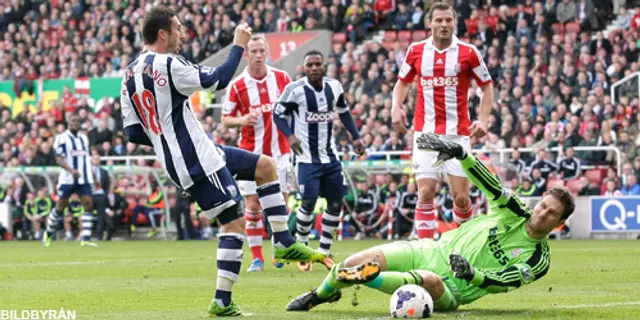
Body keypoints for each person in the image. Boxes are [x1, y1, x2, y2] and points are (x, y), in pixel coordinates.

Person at [119, 6, 324, 316]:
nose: (183, 34)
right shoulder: (168, 63)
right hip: (197, 159)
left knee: (265, 166)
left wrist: (169, 140)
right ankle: (222, 301)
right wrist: (238, 42)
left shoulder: (129, 74)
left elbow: (133, 132)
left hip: (194, 153)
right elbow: (218, 79)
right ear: (162, 34)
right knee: (235, 223)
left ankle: (283, 241)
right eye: (177, 29)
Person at [286, 133, 575, 313]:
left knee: (428, 281)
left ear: (559, 224)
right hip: (430, 250)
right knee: (352, 261)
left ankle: (366, 277)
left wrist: (472, 274)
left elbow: (506, 281)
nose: (542, 213)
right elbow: (492, 186)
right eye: (543, 205)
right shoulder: (516, 210)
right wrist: (463, 155)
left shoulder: (538, 259)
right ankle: (319, 295)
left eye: (551, 214)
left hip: (453, 288)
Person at [391, 2, 494, 239]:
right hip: (425, 134)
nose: (444, 24)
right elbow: (403, 82)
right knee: (426, 192)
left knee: (461, 197)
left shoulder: (468, 52)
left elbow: (487, 87)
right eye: (439, 20)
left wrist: (484, 120)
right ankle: (426, 252)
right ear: (429, 23)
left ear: (454, 22)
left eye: (448, 20)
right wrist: (396, 107)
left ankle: (463, 246)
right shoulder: (416, 51)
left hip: (457, 134)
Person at [274, 50, 365, 272]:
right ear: (304, 69)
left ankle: (325, 251)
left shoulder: (334, 87)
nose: (314, 68)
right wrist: (290, 135)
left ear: (323, 66)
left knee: (335, 203)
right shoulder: (294, 90)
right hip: (306, 159)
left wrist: (356, 137)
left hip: (330, 157)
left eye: (317, 64)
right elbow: (277, 114)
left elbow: (344, 112)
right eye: (309, 65)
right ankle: (303, 248)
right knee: (308, 201)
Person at [222, 34, 293, 272]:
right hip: (251, 155)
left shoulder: (282, 79)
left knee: (281, 203)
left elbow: (294, 108)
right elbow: (225, 121)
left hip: (281, 153)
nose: (259, 55)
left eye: (262, 50)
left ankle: (279, 250)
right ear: (246, 54)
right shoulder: (238, 86)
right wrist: (242, 120)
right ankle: (257, 258)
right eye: (254, 51)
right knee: (252, 205)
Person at [42, 113, 98, 247]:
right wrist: (71, 171)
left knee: (89, 205)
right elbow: (59, 158)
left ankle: (85, 238)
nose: (75, 123)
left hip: (84, 178)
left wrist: (92, 175)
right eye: (73, 121)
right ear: (68, 122)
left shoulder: (84, 138)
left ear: (80, 124)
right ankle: (48, 233)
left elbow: (85, 157)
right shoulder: (61, 138)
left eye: (78, 121)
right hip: (67, 178)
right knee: (60, 206)